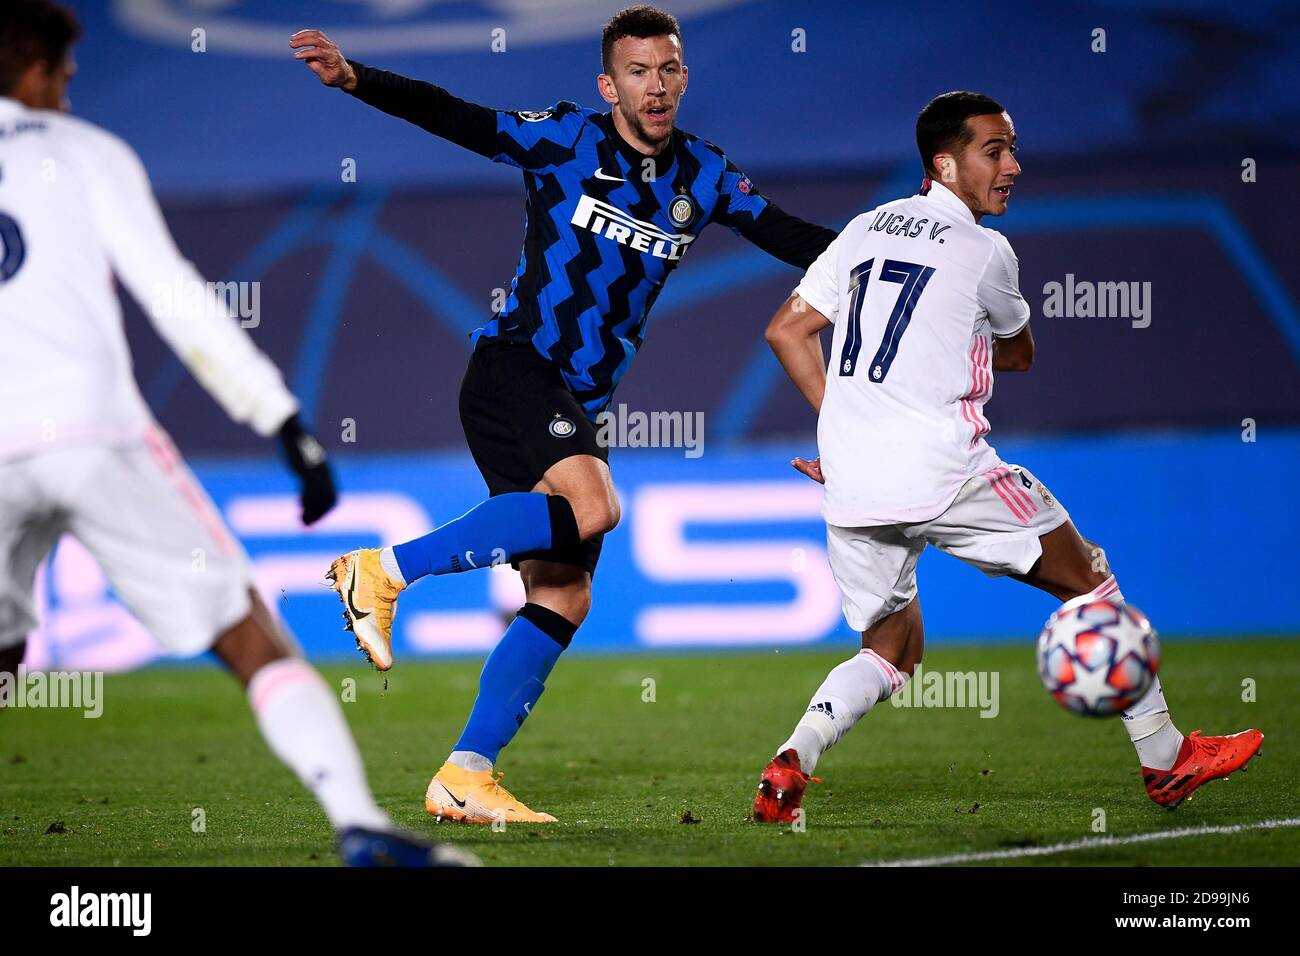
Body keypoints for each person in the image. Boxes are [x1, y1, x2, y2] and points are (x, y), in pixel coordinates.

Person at [292, 4, 837, 823]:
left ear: (685, 77)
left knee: (565, 593)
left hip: (576, 401)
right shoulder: (567, 139)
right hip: (515, 368)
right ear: (608, 83)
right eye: (638, 72)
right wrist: (357, 78)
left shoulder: (706, 175)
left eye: (669, 70)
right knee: (594, 508)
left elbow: (796, 237)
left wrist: (903, 252)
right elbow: (458, 118)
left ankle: (465, 774)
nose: (655, 87)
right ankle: (383, 571)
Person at [0, 0, 473, 867]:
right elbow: (172, 295)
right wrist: (280, 418)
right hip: (92, 430)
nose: (68, 91)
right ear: (33, 72)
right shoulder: (85, 155)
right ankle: (359, 823)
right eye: (64, 76)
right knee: (249, 636)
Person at [752, 91, 1263, 823]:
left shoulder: (863, 228)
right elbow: (1019, 354)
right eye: (995, 150)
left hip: (857, 476)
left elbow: (787, 332)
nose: (1013, 165)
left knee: (891, 651)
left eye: (1012, 148)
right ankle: (1166, 757)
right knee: (1088, 577)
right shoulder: (985, 249)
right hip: (944, 468)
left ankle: (792, 758)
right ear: (945, 163)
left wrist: (846, 431)